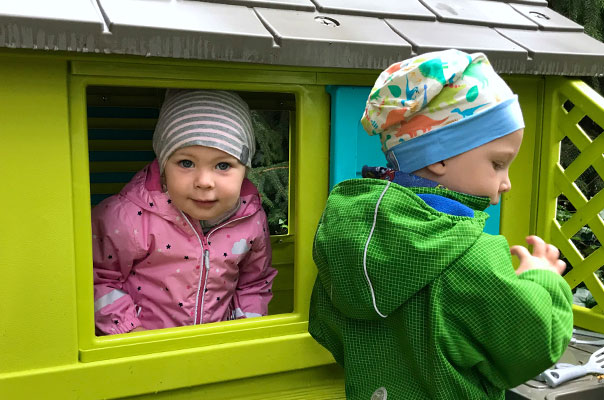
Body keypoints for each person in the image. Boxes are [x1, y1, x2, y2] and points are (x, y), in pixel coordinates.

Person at [308, 49, 573, 399]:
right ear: (440, 156)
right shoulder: (470, 256)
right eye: (498, 163)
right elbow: (532, 344)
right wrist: (544, 280)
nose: (506, 182)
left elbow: (325, 328)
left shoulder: (347, 233)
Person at [93, 89, 277, 335]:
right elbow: (98, 279)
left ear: (245, 168)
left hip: (216, 349)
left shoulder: (251, 219)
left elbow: (254, 282)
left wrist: (245, 331)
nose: (204, 181)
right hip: (143, 352)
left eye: (223, 165)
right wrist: (131, 334)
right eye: (186, 163)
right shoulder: (128, 216)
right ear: (163, 164)